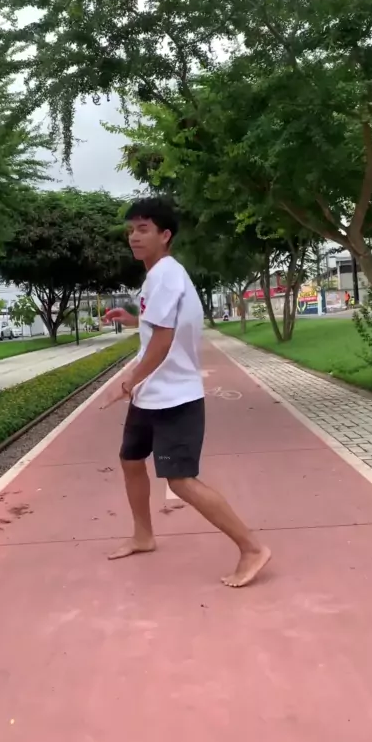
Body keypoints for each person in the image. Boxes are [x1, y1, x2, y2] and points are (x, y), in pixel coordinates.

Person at [102, 197, 271, 588]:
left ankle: (251, 548)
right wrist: (134, 320)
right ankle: (143, 536)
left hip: (173, 397)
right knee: (131, 459)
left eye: (143, 229)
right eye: (131, 230)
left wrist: (125, 383)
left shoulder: (165, 274)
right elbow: (161, 326)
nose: (134, 237)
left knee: (180, 480)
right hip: (151, 393)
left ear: (165, 235)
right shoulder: (158, 276)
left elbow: (163, 342)